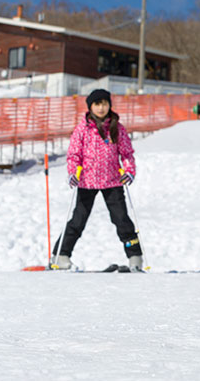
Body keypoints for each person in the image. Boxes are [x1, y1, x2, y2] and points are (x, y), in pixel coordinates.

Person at [51, 88, 143, 271]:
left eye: (105, 103)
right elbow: (74, 155)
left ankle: (135, 257)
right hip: (87, 181)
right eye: (97, 104)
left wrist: (129, 170)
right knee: (78, 220)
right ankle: (61, 255)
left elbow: (127, 154)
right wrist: (73, 173)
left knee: (122, 220)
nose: (101, 108)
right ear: (90, 107)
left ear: (109, 105)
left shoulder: (117, 128)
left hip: (113, 181)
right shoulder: (82, 129)